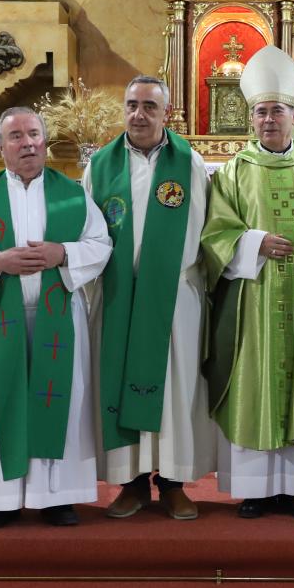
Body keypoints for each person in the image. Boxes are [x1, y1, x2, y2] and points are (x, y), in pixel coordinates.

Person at [200, 46, 294, 519]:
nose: (270, 120)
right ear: (251, 118)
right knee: (257, 381)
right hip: (255, 302)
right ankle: (257, 487)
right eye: (262, 111)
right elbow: (214, 235)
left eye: (279, 111)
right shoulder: (231, 174)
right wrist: (252, 243)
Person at [0, 108, 112, 528]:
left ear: (45, 141)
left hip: (60, 320)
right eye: (16, 136)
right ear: (0, 148)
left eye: (34, 134)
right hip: (4, 317)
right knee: (3, 402)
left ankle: (56, 497)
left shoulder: (72, 194)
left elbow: (101, 243)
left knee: (60, 401)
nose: (28, 143)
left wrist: (63, 253)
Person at [84, 76, 215, 520]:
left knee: (175, 389)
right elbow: (85, 230)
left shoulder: (190, 163)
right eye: (131, 105)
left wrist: (174, 280)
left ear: (167, 112)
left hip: (173, 298)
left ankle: (174, 482)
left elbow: (203, 229)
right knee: (118, 381)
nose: (138, 115)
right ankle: (133, 483)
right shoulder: (99, 165)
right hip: (117, 294)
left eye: (149, 107)